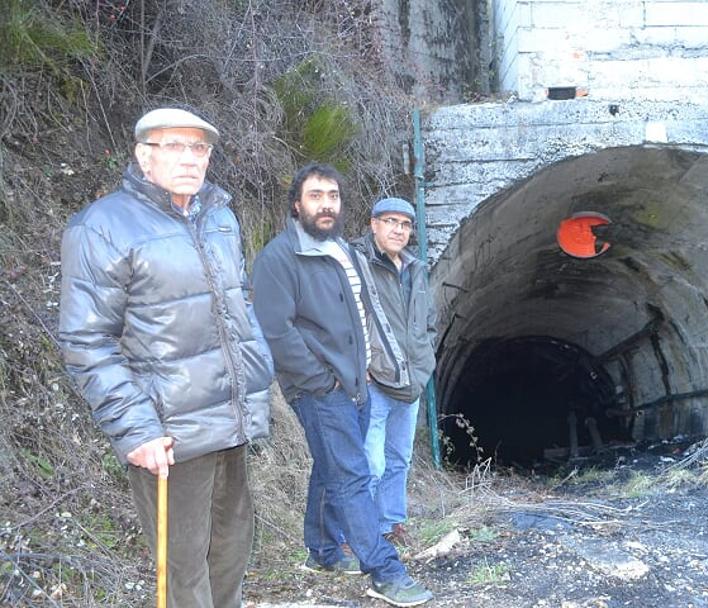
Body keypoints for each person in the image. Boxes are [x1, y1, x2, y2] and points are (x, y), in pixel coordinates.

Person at [58, 108, 274, 608]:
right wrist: (136, 428)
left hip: (231, 422)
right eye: (174, 146)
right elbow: (86, 340)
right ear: (143, 154)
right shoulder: (103, 226)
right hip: (168, 433)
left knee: (230, 556)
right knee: (183, 573)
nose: (190, 159)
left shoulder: (218, 216)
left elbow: (238, 303)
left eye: (199, 149)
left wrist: (255, 379)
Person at [250, 163, 433, 607]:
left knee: (329, 467)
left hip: (355, 384)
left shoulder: (340, 251)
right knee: (352, 473)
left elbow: (362, 316)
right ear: (297, 204)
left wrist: (362, 370)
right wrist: (321, 380)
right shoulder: (280, 257)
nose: (326, 203)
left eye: (332, 195)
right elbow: (275, 330)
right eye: (315, 195)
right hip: (320, 389)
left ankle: (323, 552)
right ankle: (383, 569)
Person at [351, 198, 436, 547]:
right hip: (375, 380)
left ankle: (391, 524)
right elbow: (343, 316)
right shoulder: (357, 262)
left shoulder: (416, 269)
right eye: (390, 221)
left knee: (398, 458)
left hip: (411, 380)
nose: (398, 230)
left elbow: (428, 321)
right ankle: (357, 533)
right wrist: (358, 363)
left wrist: (424, 362)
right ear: (373, 224)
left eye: (405, 224)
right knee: (370, 463)